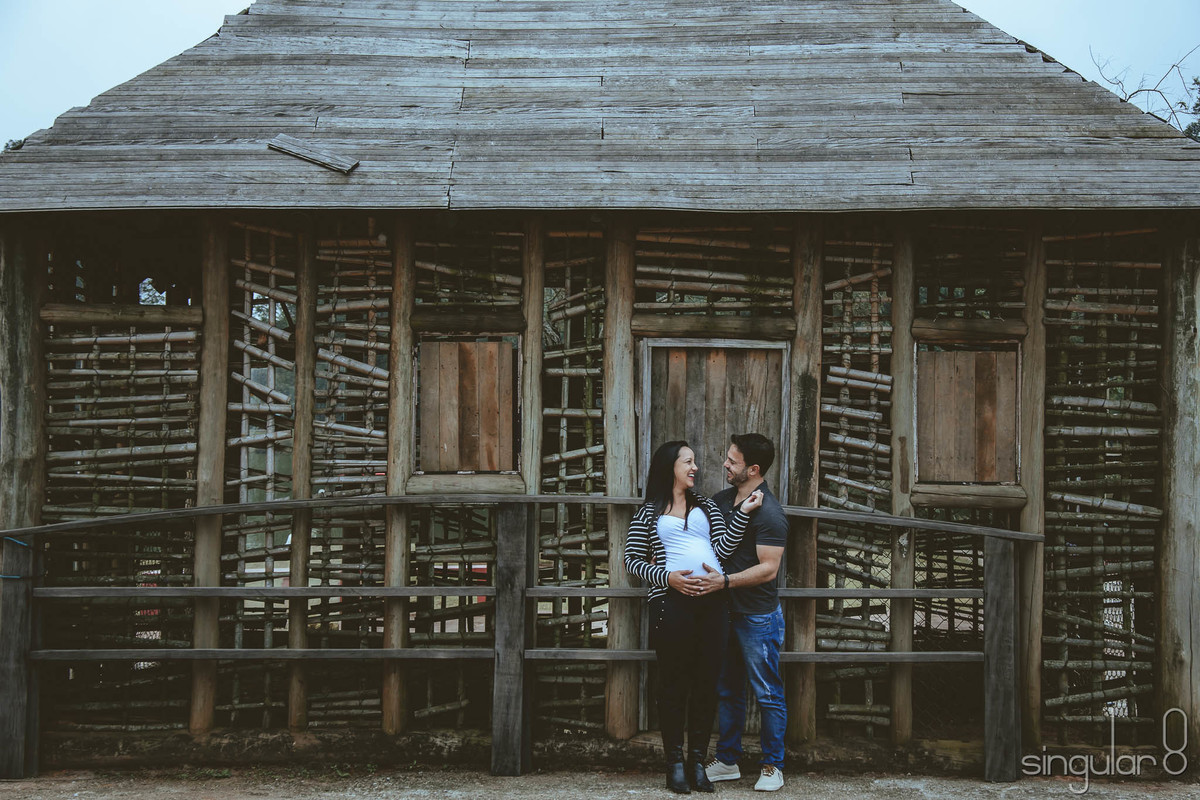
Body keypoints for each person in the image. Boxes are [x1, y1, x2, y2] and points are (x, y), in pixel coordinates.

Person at [624, 440, 763, 795]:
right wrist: (667, 577)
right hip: (671, 603)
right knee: (673, 684)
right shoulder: (649, 512)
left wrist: (744, 513)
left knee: (706, 684)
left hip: (713, 604)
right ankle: (674, 764)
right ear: (670, 467)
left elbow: (722, 549)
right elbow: (632, 560)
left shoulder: (706, 506)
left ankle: (696, 764)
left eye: (694, 461)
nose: (695, 467)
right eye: (688, 461)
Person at [697, 432, 789, 792]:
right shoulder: (721, 501)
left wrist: (724, 582)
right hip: (724, 614)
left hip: (757, 617)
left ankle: (773, 765)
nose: (725, 464)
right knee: (728, 690)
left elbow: (768, 569)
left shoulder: (770, 513)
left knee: (767, 692)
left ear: (753, 469)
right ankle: (728, 761)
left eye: (732, 461)